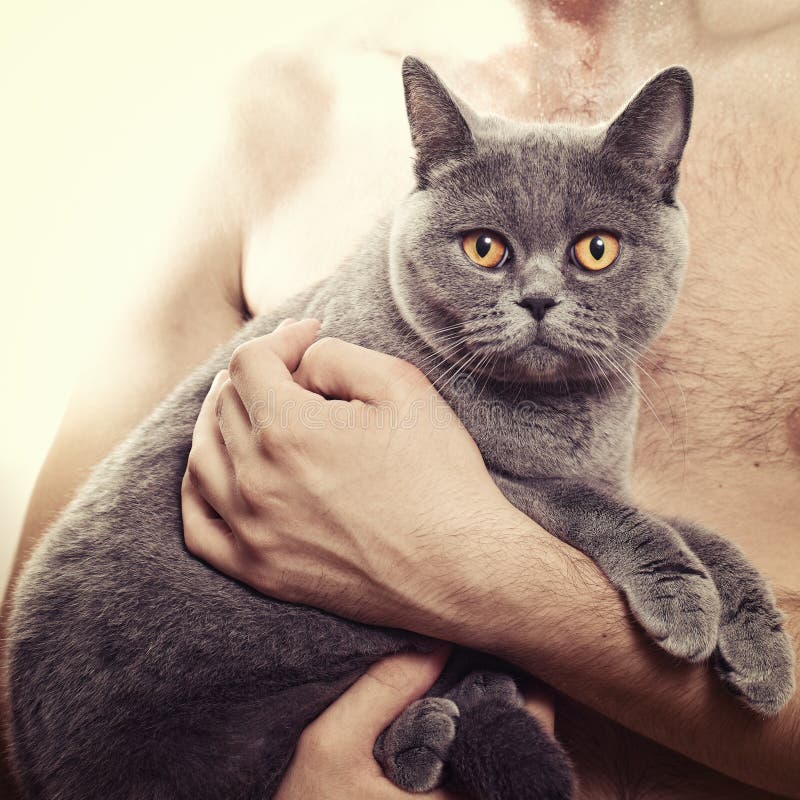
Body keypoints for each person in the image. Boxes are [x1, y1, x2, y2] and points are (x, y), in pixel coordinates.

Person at [2, 1, 799, 797]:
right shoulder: (284, 108)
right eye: (485, 247)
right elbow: (39, 669)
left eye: (594, 249)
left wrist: (479, 571)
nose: (542, 293)